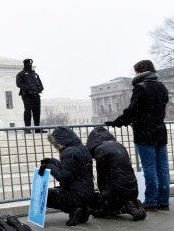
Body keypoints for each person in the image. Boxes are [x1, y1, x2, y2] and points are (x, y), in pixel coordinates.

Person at [105, 60, 169, 212]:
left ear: (141, 72)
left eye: (136, 72)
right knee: (162, 168)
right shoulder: (161, 87)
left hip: (145, 133)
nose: (136, 75)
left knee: (150, 168)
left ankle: (152, 201)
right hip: (160, 131)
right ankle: (164, 201)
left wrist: (117, 122)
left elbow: (132, 111)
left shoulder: (141, 88)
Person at [38, 126, 95, 226]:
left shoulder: (68, 152)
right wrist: (52, 161)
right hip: (88, 193)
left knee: (44, 194)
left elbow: (63, 177)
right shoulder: (82, 148)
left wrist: (49, 167)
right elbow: (71, 167)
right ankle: (84, 209)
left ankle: (73, 209)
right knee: (62, 192)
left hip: (75, 194)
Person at [85, 126, 146, 220]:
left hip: (117, 191)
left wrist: (103, 194)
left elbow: (102, 176)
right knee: (118, 192)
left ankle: (122, 207)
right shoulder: (119, 145)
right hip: (133, 188)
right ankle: (132, 203)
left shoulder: (100, 150)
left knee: (97, 207)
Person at [16, 58, 45, 133]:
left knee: (37, 112)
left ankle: (37, 129)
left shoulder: (35, 74)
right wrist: (28, 88)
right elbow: (19, 84)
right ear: (25, 64)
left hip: (36, 95)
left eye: (31, 64)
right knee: (28, 111)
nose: (30, 66)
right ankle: (27, 128)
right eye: (28, 64)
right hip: (27, 95)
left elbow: (40, 84)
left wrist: (40, 88)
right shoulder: (21, 74)